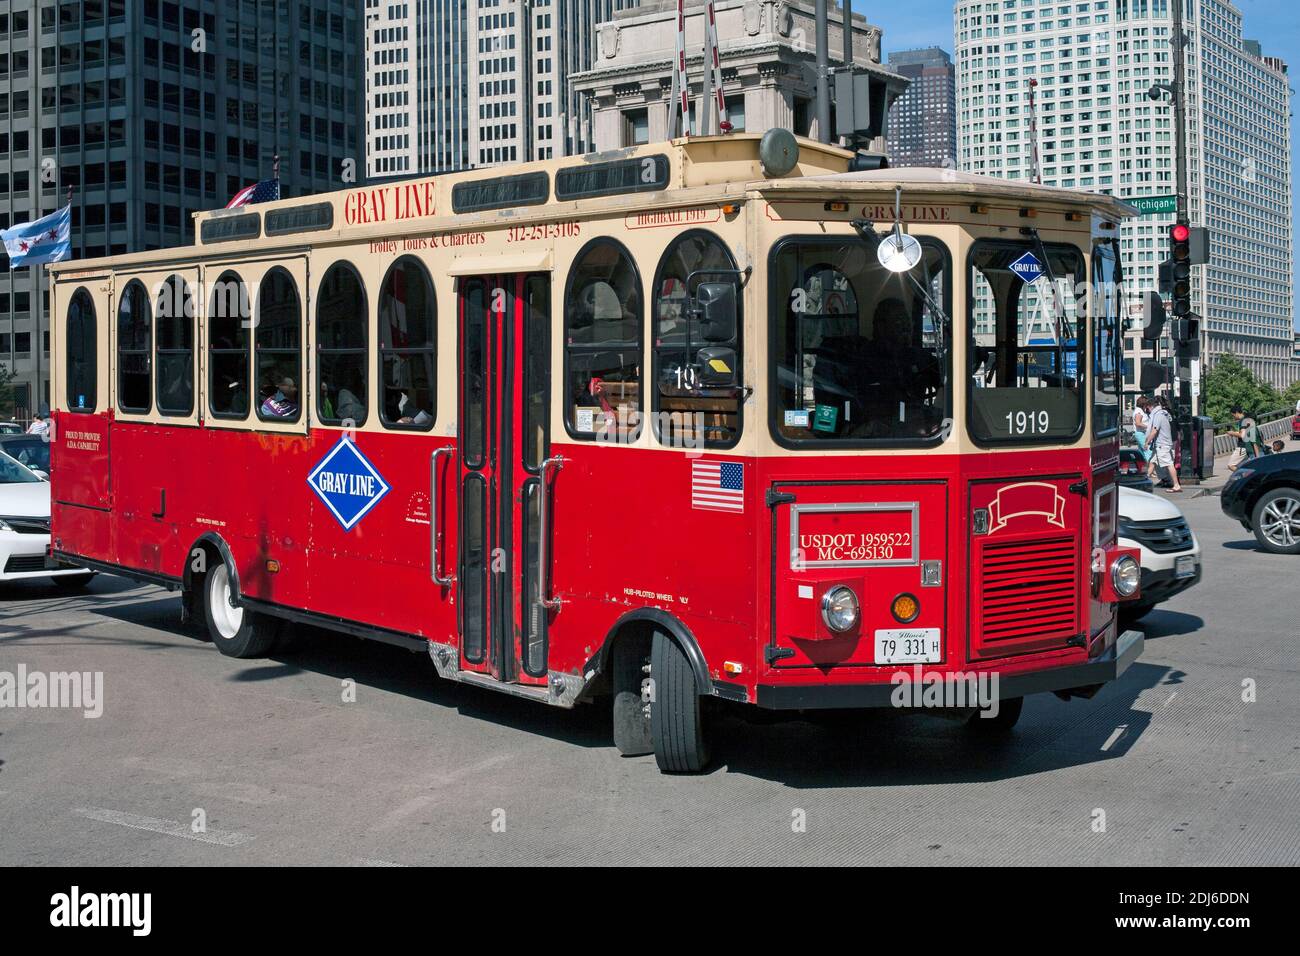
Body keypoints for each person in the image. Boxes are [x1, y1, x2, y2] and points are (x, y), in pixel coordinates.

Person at [1148, 396, 1182, 492]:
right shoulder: (1169, 412)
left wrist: (1147, 441)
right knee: (1154, 461)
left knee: (1168, 462)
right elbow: (1176, 424)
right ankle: (1164, 479)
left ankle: (1172, 482)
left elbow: (1155, 429)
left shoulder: (1160, 414)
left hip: (1164, 441)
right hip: (1171, 438)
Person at [1225, 405, 1264, 471]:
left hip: (1243, 447)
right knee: (1247, 466)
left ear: (1237, 412)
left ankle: (1244, 475)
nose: (1233, 417)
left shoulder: (1243, 421)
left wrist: (1232, 433)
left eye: (1233, 415)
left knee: (1231, 465)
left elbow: (1242, 435)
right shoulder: (1247, 422)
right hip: (1248, 449)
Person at [1132, 396, 1154, 462]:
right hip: (1140, 433)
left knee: (1143, 452)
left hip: (1142, 433)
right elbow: (1138, 423)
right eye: (1147, 403)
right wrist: (1148, 427)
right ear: (1144, 403)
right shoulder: (1138, 411)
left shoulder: (1141, 410)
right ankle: (1151, 466)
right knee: (1148, 450)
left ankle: (1148, 467)